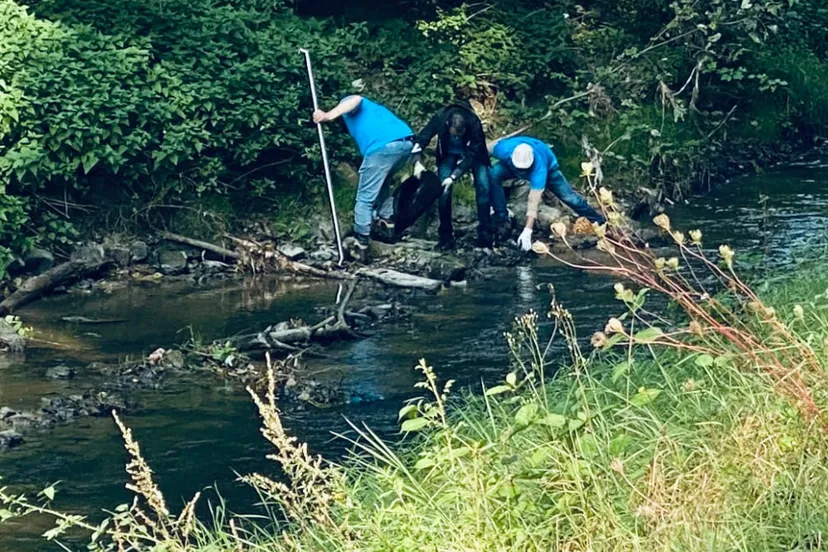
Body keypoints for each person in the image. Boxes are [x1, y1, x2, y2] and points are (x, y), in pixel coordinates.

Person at [313, 95, 414, 251]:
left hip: (382, 147)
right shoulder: (375, 111)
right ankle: (386, 222)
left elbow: (356, 99)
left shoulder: (353, 102)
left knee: (365, 198)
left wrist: (328, 115)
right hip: (406, 144)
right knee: (382, 183)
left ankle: (361, 242)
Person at [411, 102, 508, 249]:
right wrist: (417, 161)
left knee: (483, 188)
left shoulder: (474, 123)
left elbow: (473, 154)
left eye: (460, 134)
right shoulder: (440, 117)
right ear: (448, 125)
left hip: (474, 155)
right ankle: (446, 236)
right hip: (449, 153)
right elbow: (423, 137)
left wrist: (454, 176)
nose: (457, 136)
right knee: (443, 191)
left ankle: (485, 236)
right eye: (454, 134)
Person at [490, 136, 606, 251]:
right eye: (520, 169)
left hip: (550, 171)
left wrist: (528, 230)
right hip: (510, 167)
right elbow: (481, 149)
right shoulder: (502, 149)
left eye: (524, 169)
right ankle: (502, 216)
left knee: (569, 198)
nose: (522, 172)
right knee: (493, 174)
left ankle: (598, 220)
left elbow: (533, 201)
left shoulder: (540, 168)